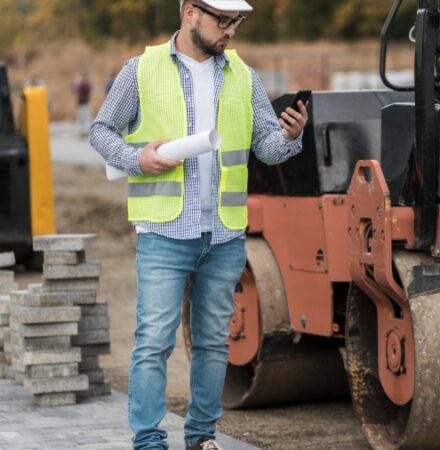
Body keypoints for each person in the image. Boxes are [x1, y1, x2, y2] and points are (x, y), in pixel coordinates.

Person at [88, 1, 308, 449]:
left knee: (212, 343)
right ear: (190, 11)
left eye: (236, 22)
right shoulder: (141, 70)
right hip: (164, 232)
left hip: (224, 234)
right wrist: (137, 158)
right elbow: (101, 131)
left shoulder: (243, 75)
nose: (230, 31)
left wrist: (289, 136)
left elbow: (264, 148)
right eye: (222, 20)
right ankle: (149, 442)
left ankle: (201, 437)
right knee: (153, 343)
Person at [72, 71, 92, 136]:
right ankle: (81, 131)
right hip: (81, 104)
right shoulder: (82, 84)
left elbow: (88, 89)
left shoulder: (81, 84)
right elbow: (73, 89)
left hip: (85, 103)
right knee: (82, 118)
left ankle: (85, 131)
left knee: (87, 118)